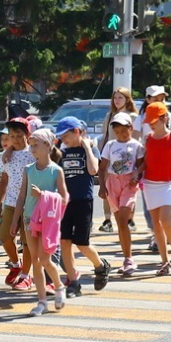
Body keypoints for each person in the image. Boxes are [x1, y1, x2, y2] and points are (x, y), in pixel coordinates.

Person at [55, 117, 108, 294]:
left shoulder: (90, 149)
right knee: (64, 242)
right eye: (61, 137)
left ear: (77, 132)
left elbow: (93, 170)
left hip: (83, 201)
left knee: (82, 243)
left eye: (66, 135)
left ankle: (100, 266)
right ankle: (73, 282)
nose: (64, 140)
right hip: (65, 202)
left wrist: (86, 147)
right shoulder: (62, 152)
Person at [22, 128, 68, 314]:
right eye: (31, 145)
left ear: (48, 146)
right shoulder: (28, 169)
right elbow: (22, 196)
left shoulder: (56, 171)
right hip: (29, 219)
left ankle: (59, 286)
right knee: (35, 260)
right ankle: (41, 301)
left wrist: (43, 195)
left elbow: (64, 198)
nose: (32, 149)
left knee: (45, 259)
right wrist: (14, 218)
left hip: (48, 222)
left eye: (36, 145)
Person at [140, 102, 171, 275]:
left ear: (164, 118)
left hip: (169, 182)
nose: (151, 124)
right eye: (150, 121)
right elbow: (145, 161)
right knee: (156, 225)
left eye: (155, 120)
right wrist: (135, 174)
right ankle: (164, 262)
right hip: (150, 184)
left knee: (166, 220)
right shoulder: (147, 139)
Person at [98, 113, 143, 276]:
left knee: (124, 220)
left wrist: (137, 174)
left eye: (124, 130)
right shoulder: (110, 145)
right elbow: (102, 167)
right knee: (120, 223)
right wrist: (102, 186)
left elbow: (141, 164)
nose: (121, 134)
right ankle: (127, 258)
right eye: (117, 131)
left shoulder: (136, 145)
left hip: (129, 184)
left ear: (130, 128)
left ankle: (130, 259)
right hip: (113, 183)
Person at [0, 118, 35, 291]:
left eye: (19, 135)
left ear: (27, 135)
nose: (16, 139)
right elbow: (4, 180)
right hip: (11, 202)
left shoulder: (33, 152)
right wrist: (0, 202)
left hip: (30, 204)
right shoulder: (6, 156)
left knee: (28, 242)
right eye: (12, 136)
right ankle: (15, 263)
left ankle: (26, 276)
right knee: (4, 236)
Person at [100, 89, 139, 232]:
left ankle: (129, 219)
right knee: (108, 188)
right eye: (115, 97)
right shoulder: (109, 116)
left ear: (127, 99)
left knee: (130, 189)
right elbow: (104, 135)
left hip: (128, 158)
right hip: (110, 155)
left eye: (120, 97)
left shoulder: (133, 117)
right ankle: (107, 219)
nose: (117, 100)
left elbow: (137, 137)